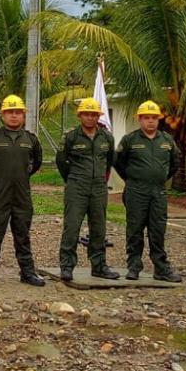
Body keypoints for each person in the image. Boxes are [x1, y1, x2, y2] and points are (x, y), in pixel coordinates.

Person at [0, 94, 45, 287]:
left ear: (23, 115)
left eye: (18, 112)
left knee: (23, 235)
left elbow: (36, 162)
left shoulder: (31, 139)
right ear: (2, 115)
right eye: (10, 112)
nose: (14, 116)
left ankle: (28, 273)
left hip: (22, 196)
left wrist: (21, 177)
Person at [114, 101, 182, 282]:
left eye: (154, 118)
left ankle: (161, 268)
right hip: (136, 191)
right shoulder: (130, 140)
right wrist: (133, 179)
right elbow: (119, 162)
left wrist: (160, 177)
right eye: (146, 118)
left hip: (158, 192)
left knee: (158, 230)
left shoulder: (167, 140)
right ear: (139, 119)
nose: (150, 121)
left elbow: (175, 163)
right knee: (135, 229)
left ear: (159, 120)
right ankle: (134, 266)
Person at [57, 98, 118, 281]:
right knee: (72, 227)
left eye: (94, 114)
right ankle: (67, 266)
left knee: (99, 228)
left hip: (98, 187)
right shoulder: (71, 137)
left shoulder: (106, 137)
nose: (90, 118)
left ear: (98, 116)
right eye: (86, 114)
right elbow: (61, 162)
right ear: (80, 116)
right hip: (77, 186)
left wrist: (100, 178)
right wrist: (73, 179)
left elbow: (110, 161)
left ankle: (99, 266)